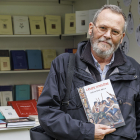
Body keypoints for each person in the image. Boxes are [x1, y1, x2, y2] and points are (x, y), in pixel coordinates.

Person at [37, 4, 140, 140]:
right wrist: (87, 131)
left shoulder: (134, 70)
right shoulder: (63, 65)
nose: (107, 35)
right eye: (103, 28)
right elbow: (48, 114)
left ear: (122, 38)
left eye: (115, 32)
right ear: (91, 28)